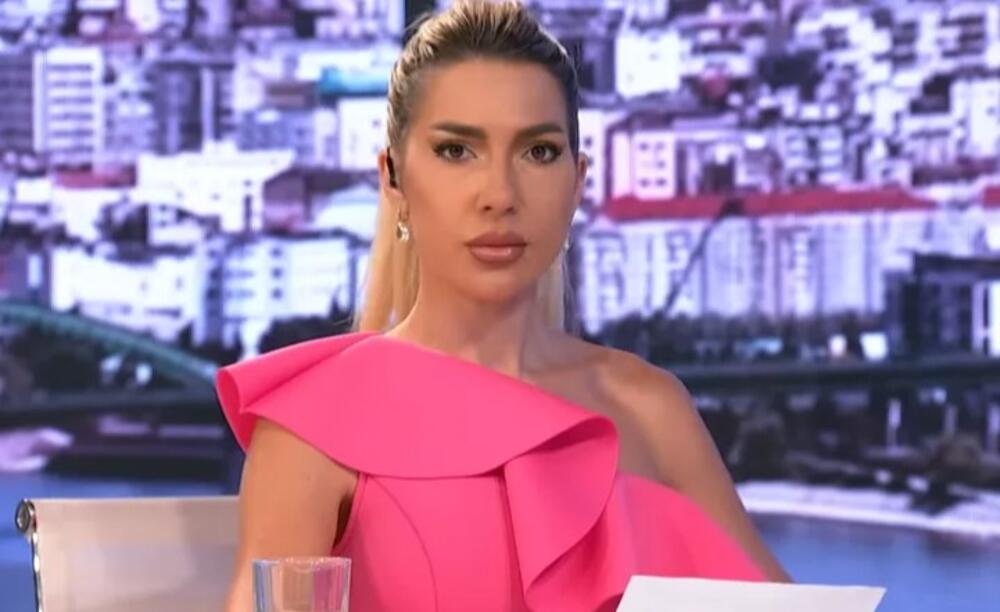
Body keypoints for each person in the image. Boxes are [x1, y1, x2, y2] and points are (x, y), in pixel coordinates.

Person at [218, 1, 790, 610]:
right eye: (456, 151)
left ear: (578, 181)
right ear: (393, 179)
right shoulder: (313, 429)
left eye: (538, 152)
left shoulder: (651, 410)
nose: (499, 195)